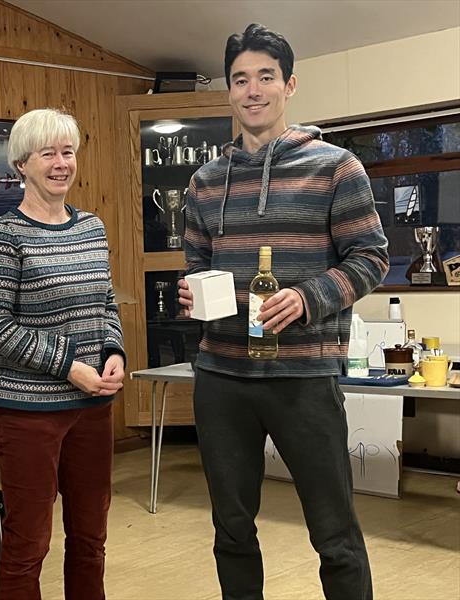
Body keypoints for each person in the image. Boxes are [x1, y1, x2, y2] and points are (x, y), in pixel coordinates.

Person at [177, 24, 388, 600]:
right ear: (229, 91)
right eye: (240, 79)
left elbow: (371, 258)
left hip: (304, 379)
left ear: (289, 85)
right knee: (232, 531)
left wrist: (309, 297)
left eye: (265, 77)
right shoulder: (205, 181)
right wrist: (192, 295)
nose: (253, 90)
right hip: (221, 377)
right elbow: (197, 265)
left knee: (334, 533)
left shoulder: (335, 167)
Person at [0, 108, 126, 600]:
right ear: (22, 163)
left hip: (92, 408)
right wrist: (70, 367)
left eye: (68, 153)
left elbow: (105, 301)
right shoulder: (5, 237)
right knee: (28, 543)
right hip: (28, 413)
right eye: (48, 154)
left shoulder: (92, 228)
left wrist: (113, 349)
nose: (61, 164)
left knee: (90, 538)